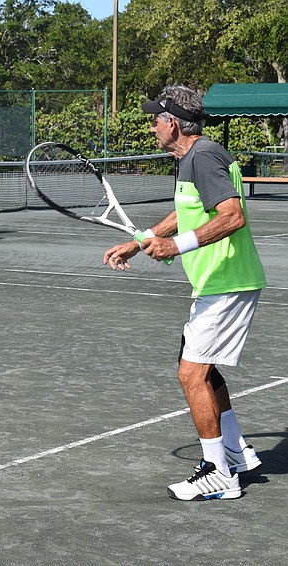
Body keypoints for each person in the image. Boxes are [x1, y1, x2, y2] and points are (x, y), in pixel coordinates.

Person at [103, 84, 267, 501]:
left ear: (173, 123)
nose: (152, 127)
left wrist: (176, 246)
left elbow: (232, 216)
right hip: (216, 283)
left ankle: (219, 473)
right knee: (200, 368)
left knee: (191, 374)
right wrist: (140, 242)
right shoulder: (191, 159)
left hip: (228, 284)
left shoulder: (204, 156)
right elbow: (186, 213)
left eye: (156, 119)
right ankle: (236, 452)